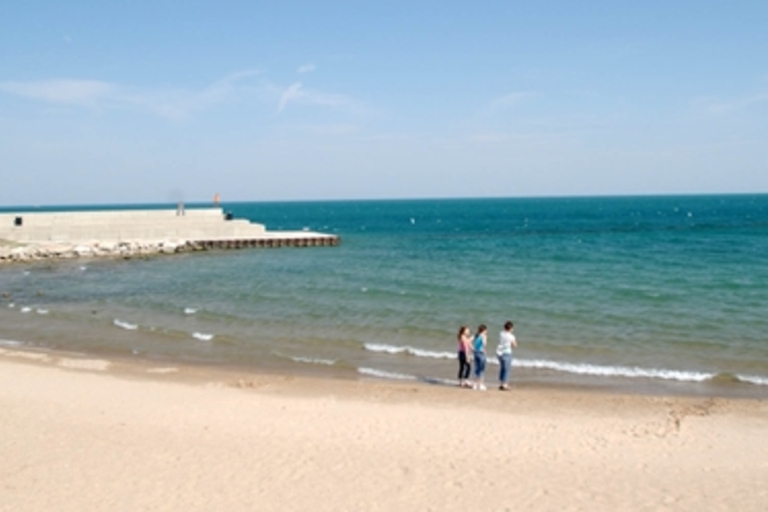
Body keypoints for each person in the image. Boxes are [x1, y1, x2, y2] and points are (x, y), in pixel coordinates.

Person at [496, 321, 517, 390]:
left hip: (499, 353)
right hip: (507, 353)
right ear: (510, 328)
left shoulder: (501, 333)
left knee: (502, 368)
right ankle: (505, 384)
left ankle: (501, 383)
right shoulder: (511, 336)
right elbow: (515, 345)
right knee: (507, 369)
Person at [472, 324, 488, 390]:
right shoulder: (483, 336)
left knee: (477, 368)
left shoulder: (476, 335)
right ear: (484, 330)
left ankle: (475, 384)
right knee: (482, 369)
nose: (487, 331)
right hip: (481, 352)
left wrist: (472, 348)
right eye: (486, 330)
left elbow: (469, 341)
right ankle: (481, 384)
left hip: (476, 352)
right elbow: (484, 343)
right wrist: (484, 350)